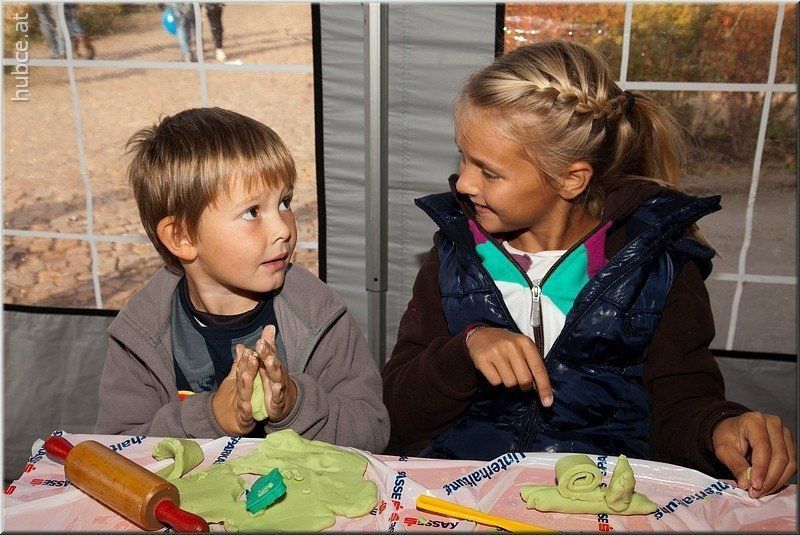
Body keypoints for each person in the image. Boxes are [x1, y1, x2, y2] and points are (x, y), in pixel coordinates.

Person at [382, 40, 796, 498]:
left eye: (489, 172)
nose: (463, 182)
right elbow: (396, 412)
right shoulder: (453, 258)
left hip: (601, 501)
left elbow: (681, 403)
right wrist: (464, 351)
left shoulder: (660, 267)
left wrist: (720, 427)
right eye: (463, 156)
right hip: (467, 496)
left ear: (571, 179)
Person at [96, 107, 389, 453]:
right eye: (252, 212)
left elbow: (372, 431)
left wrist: (295, 406)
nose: (283, 229)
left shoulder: (319, 315)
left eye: (284, 202)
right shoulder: (141, 332)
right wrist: (209, 419)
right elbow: (119, 449)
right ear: (182, 237)